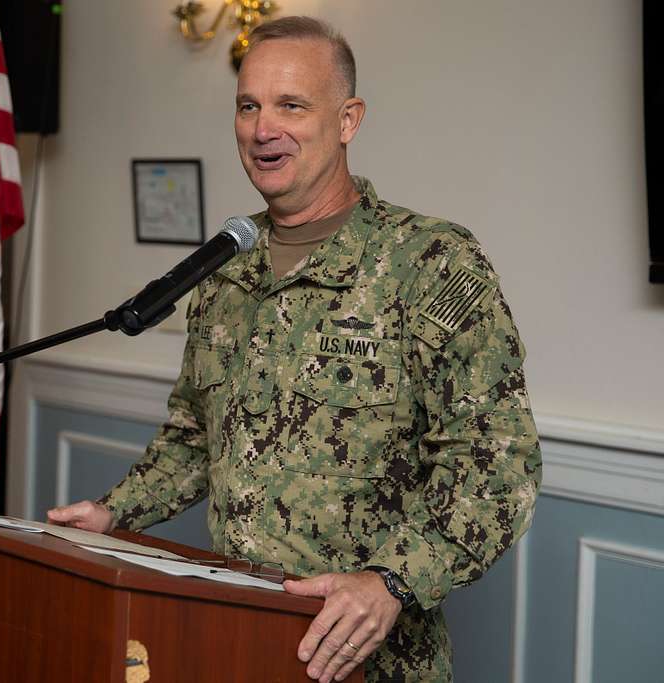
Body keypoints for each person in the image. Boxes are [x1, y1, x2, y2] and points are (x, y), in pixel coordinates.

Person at [48, 16, 541, 683]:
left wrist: (391, 581)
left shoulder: (428, 262)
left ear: (347, 120)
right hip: (236, 640)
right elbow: (196, 435)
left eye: (291, 105)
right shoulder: (224, 268)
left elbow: (498, 464)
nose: (262, 128)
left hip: (369, 662)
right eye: (248, 105)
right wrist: (115, 509)